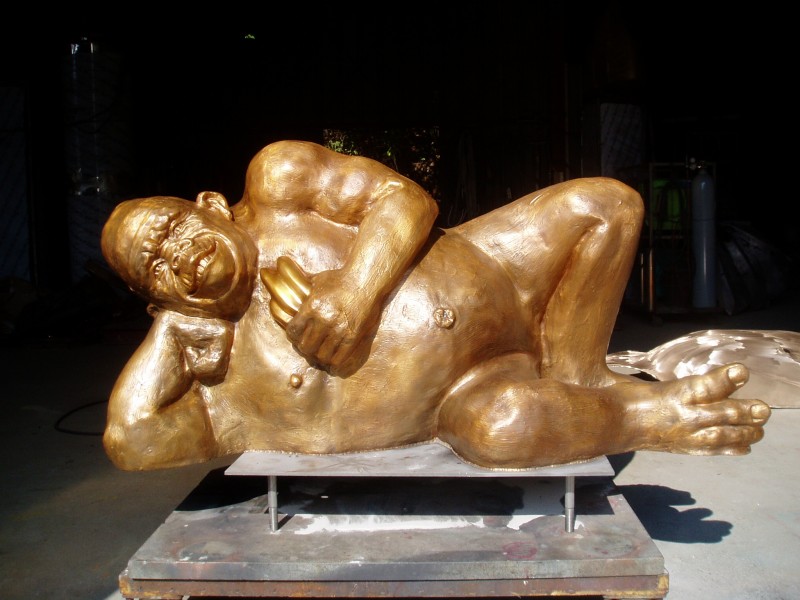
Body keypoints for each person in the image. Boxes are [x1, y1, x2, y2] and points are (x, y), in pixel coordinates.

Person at [100, 140, 771, 471]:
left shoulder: (278, 180)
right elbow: (131, 439)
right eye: (154, 267)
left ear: (209, 205)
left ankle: (580, 383)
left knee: (607, 206)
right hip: (467, 394)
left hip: (496, 265)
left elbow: (405, 200)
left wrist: (356, 292)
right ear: (155, 297)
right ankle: (637, 416)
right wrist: (170, 334)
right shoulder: (215, 367)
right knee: (504, 429)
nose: (177, 255)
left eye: (172, 229)